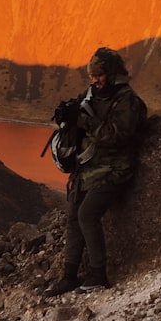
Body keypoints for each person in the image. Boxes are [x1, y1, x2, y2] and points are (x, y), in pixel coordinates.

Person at [44, 47, 147, 296]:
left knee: (87, 214)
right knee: (73, 218)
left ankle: (98, 274)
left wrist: (84, 122)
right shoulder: (92, 94)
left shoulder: (127, 100)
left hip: (115, 168)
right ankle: (69, 276)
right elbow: (80, 117)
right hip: (88, 168)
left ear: (112, 74)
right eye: (92, 75)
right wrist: (68, 117)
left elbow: (118, 136)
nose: (95, 80)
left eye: (99, 75)